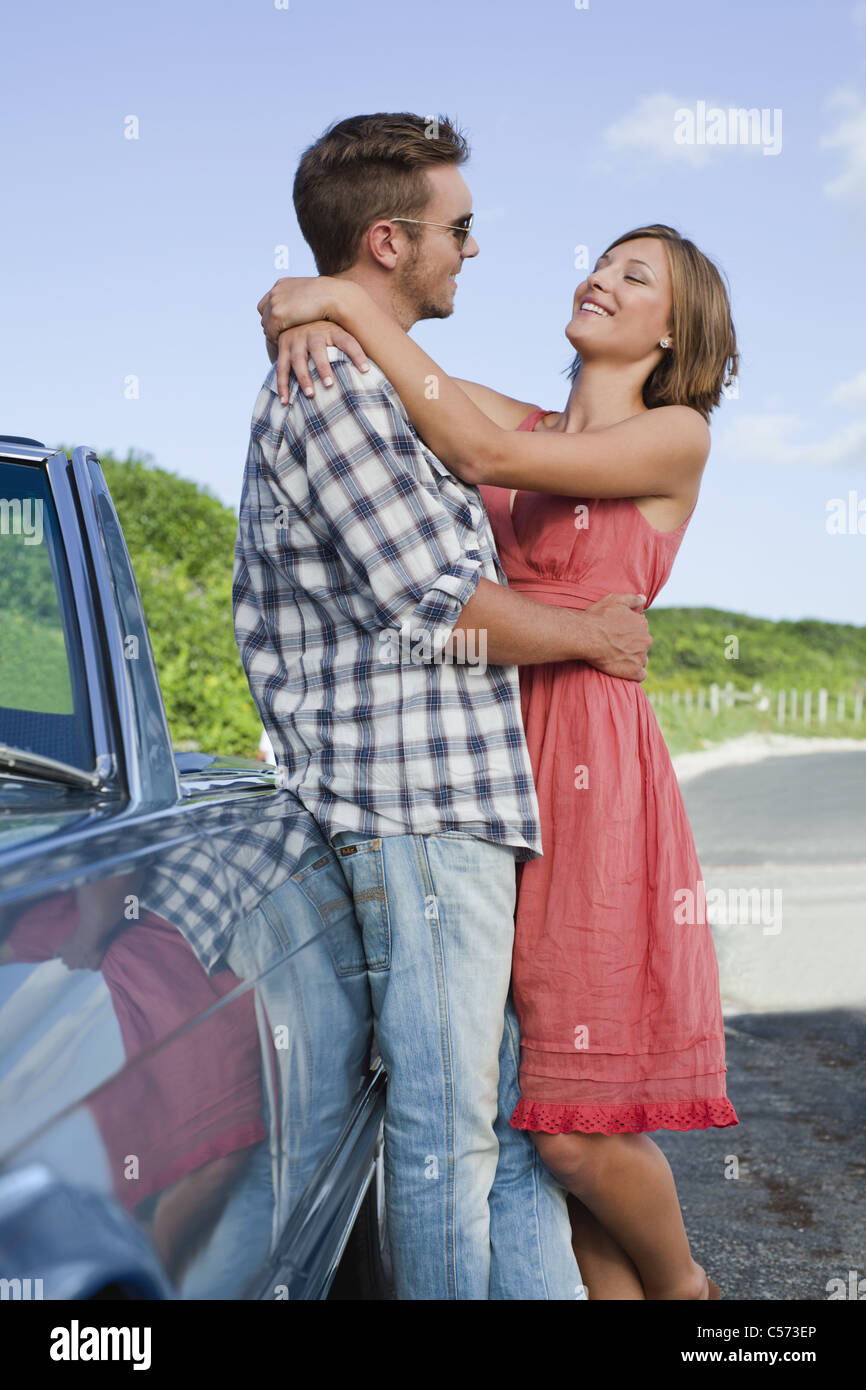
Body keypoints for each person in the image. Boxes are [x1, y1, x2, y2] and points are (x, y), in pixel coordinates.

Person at [257, 220, 740, 1300]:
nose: (599, 280)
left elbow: (481, 456)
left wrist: (331, 306)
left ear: (675, 331)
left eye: (634, 277)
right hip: (484, 741)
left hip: (588, 760)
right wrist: (307, 300)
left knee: (570, 1128)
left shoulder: (673, 438)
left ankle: (688, 1292)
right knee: (531, 1109)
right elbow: (400, 372)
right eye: (600, 261)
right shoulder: (516, 409)